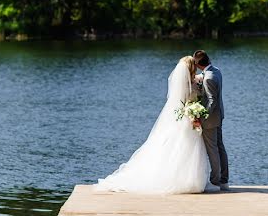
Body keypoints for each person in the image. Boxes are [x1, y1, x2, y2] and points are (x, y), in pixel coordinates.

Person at [95, 56, 210, 194]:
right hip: (187, 119)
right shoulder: (186, 85)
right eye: (194, 65)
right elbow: (185, 102)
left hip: (187, 119)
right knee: (183, 149)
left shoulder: (192, 81)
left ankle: (191, 180)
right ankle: (183, 180)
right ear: (192, 67)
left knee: (185, 149)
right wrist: (192, 113)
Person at [193, 49, 229, 191]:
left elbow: (212, 101)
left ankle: (215, 182)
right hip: (219, 115)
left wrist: (202, 116)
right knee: (220, 147)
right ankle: (224, 180)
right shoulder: (216, 70)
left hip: (210, 118)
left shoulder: (208, 78)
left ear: (198, 64)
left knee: (212, 149)